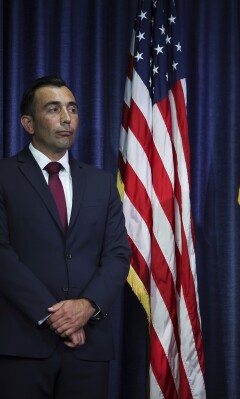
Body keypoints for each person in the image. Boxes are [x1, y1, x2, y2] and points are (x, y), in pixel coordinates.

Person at [0, 75, 131, 398]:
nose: (66, 118)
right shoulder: (4, 176)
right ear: (28, 123)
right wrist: (55, 315)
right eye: (54, 109)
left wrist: (86, 307)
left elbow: (117, 254)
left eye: (72, 109)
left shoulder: (102, 183)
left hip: (88, 346)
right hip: (23, 344)